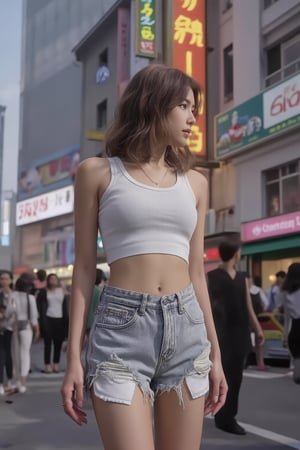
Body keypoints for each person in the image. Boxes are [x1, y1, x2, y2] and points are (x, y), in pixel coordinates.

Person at [61, 64, 227, 450]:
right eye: (184, 106)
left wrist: (216, 353)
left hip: (187, 328)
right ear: (152, 104)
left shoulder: (197, 183)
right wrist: (73, 357)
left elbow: (196, 272)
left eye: (194, 110)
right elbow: (84, 268)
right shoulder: (98, 172)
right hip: (121, 331)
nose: (191, 118)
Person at [207, 237, 264, 435]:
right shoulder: (211, 276)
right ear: (236, 253)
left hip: (239, 332)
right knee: (220, 376)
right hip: (220, 333)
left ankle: (228, 416)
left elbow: (248, 306)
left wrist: (257, 329)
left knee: (236, 378)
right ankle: (222, 416)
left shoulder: (243, 277)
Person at [12, 273, 39, 393]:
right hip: (26, 327)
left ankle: (15, 379)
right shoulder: (31, 298)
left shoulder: (12, 296)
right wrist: (37, 329)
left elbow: (9, 311)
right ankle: (23, 380)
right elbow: (34, 317)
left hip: (13, 326)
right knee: (25, 353)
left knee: (14, 353)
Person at [37, 273, 68, 373]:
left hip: (59, 319)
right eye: (51, 279)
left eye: (55, 279)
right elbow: (40, 306)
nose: (53, 280)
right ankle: (47, 365)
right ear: (48, 281)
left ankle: (56, 364)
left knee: (58, 343)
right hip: (48, 319)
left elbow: (66, 305)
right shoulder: (44, 292)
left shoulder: (62, 291)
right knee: (47, 343)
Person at [282, 263, 300, 384]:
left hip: (294, 328)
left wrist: (285, 336)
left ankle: (297, 374)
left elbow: (286, 315)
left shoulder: (285, 291)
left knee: (297, 356)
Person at [0, 270, 16, 394]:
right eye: (2, 278)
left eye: (6, 278)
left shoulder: (14, 295)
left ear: (11, 280)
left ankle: (9, 379)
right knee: (2, 354)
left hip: (10, 328)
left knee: (8, 354)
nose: (4, 281)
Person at [249, 275, 268, 370]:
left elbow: (266, 303)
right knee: (258, 341)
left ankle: (259, 362)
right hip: (256, 318)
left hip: (250, 319)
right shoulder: (258, 290)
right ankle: (259, 362)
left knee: (257, 341)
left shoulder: (256, 290)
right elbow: (266, 303)